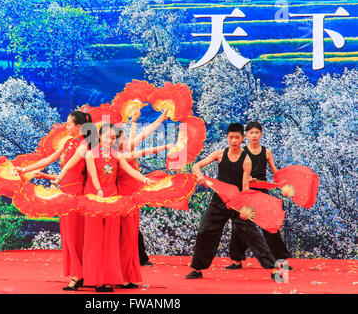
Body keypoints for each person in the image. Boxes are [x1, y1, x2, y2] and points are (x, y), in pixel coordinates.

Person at [185, 123, 280, 281]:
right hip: (219, 201)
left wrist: (245, 208)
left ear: (243, 139)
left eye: (237, 137)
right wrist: (199, 175)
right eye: (231, 137)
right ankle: (197, 269)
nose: (234, 140)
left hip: (237, 202)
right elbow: (196, 165)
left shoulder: (246, 160)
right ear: (227, 138)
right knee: (204, 231)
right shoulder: (220, 154)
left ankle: (273, 269)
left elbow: (244, 187)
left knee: (253, 235)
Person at [14, 111, 96, 291]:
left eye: (68, 124)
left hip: (75, 194)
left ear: (79, 127)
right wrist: (25, 169)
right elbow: (49, 159)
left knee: (75, 236)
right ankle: (79, 273)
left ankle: (79, 275)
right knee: (68, 236)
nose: (65, 127)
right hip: (64, 192)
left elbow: (69, 171)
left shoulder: (85, 145)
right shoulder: (68, 143)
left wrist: (55, 178)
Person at [82, 123, 157, 292]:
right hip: (95, 199)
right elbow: (93, 174)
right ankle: (97, 280)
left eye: (113, 138)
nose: (110, 141)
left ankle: (109, 279)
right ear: (100, 136)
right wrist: (99, 189)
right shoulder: (90, 153)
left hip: (113, 201)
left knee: (111, 242)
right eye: (108, 137)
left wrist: (145, 180)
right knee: (95, 241)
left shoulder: (116, 155)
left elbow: (130, 171)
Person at [114, 109, 173, 288]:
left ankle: (126, 273)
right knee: (125, 237)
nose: (127, 140)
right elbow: (144, 151)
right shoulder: (118, 155)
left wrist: (160, 118)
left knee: (130, 236)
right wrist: (165, 147)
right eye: (122, 138)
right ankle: (121, 274)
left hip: (133, 196)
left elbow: (145, 133)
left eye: (126, 137)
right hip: (123, 197)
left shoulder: (125, 149)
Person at [226, 121, 292, 270]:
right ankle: (236, 260)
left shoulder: (266, 152)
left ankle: (280, 260)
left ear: (261, 134)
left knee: (270, 225)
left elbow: (276, 173)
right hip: (246, 192)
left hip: (262, 192)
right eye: (251, 133)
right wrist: (247, 178)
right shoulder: (241, 152)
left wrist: (283, 186)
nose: (254, 135)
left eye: (257, 133)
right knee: (240, 226)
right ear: (246, 136)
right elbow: (236, 172)